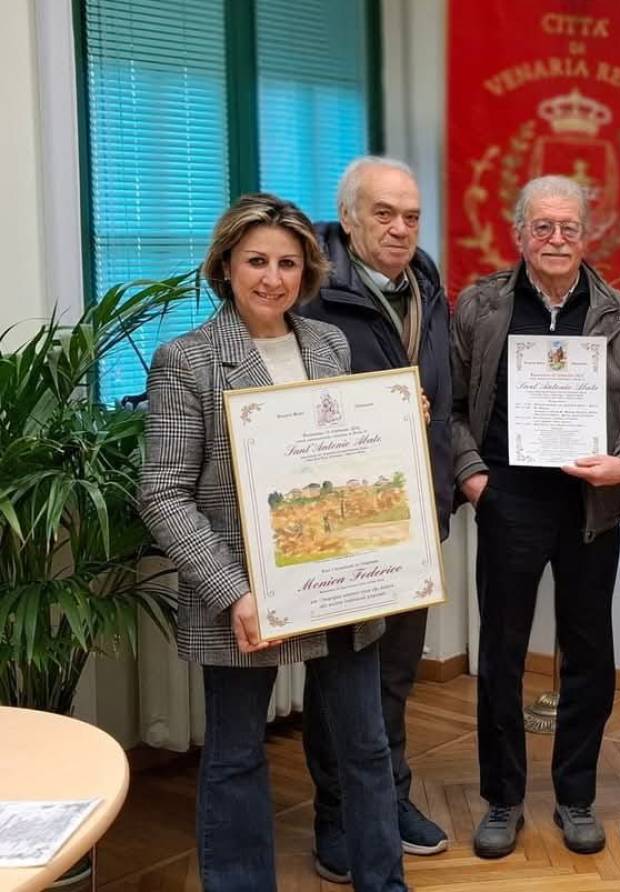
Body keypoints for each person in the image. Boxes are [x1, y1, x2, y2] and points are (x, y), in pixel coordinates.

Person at [138, 193, 410, 891]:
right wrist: (235, 592)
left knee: (367, 748)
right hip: (244, 595)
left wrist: (396, 429)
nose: (272, 278)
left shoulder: (329, 345)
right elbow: (163, 494)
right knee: (235, 757)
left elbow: (346, 465)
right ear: (225, 266)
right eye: (256, 260)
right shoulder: (188, 360)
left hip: (342, 585)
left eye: (288, 263)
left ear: (308, 272)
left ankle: (385, 881)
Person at [451, 175, 620, 858]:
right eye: (542, 226)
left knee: (590, 656)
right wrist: (475, 480)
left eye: (569, 227)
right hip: (508, 499)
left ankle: (576, 797)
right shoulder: (480, 306)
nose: (556, 239)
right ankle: (502, 800)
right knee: (502, 655)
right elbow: (451, 406)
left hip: (587, 505)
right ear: (519, 232)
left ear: (586, 234)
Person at [296, 156, 452, 879]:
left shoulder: (425, 280)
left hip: (414, 517)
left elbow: (442, 398)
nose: (400, 227)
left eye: (411, 214)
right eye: (384, 213)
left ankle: (388, 799)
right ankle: (336, 818)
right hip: (341, 524)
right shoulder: (313, 289)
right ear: (349, 217)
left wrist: (446, 491)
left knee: (393, 675)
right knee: (340, 684)